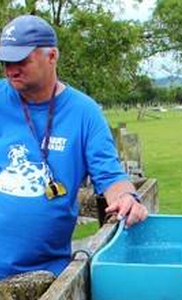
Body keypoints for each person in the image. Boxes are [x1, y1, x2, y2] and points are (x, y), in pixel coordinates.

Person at [0, 14, 148, 281]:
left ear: (52, 56)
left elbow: (110, 175)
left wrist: (127, 198)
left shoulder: (84, 113)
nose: (11, 69)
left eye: (21, 60)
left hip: (45, 276)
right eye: (6, 61)